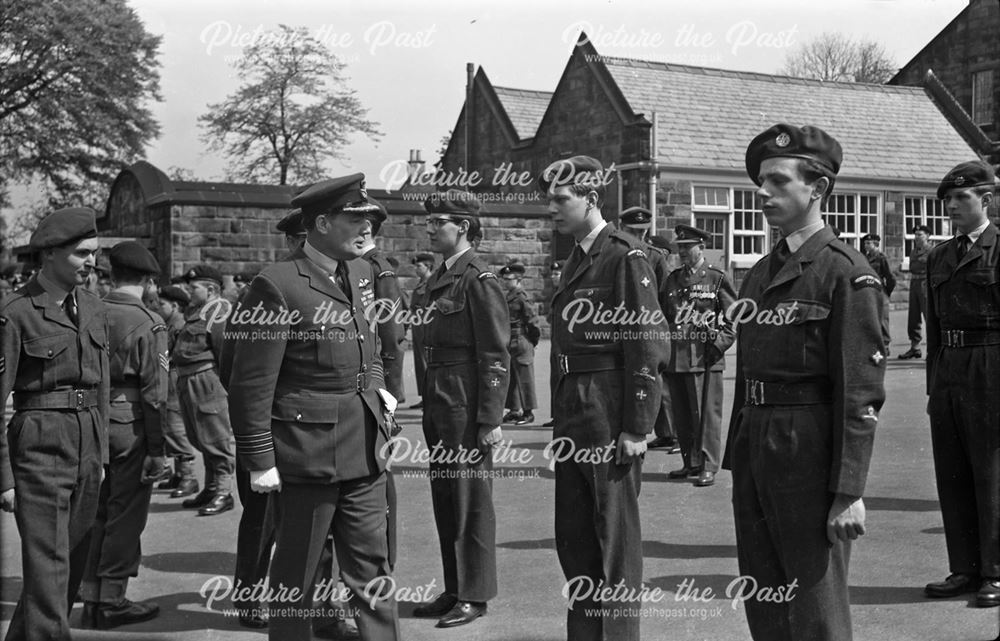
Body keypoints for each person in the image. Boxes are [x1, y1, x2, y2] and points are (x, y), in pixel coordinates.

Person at [723, 124, 886, 641]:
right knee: (764, 592)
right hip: (756, 444)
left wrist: (848, 491)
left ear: (817, 189)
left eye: (777, 181)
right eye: (761, 182)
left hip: (809, 447)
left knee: (814, 603)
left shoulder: (846, 273)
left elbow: (860, 392)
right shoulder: (760, 272)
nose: (763, 192)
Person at [227, 173, 400, 641]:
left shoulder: (362, 273)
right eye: (355, 219)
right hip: (308, 455)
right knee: (297, 578)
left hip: (366, 448)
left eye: (370, 218)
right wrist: (259, 458)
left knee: (373, 572)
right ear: (321, 223)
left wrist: (378, 388)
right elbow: (251, 383)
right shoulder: (276, 285)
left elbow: (373, 347)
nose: (367, 228)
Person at [541, 156, 669, 641]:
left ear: (592, 199)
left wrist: (638, 424)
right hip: (575, 407)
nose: (552, 209)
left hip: (608, 407)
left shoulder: (625, 256)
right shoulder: (577, 256)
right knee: (575, 539)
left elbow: (647, 343)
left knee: (612, 539)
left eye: (561, 199)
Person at [0, 207, 109, 641]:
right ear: (48, 254)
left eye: (94, 253)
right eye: (81, 253)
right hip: (40, 445)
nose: (91, 262)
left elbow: (99, 386)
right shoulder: (16, 313)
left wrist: (99, 456)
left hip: (86, 443)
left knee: (67, 571)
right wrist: (4, 476)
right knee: (48, 570)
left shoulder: (96, 308)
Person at [411, 190, 509, 628]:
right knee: (446, 499)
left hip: (467, 403)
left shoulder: (478, 279)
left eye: (438, 222)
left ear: (463, 228)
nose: (430, 228)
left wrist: (490, 418)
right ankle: (455, 588)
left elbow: (495, 354)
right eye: (429, 222)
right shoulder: (438, 278)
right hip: (440, 401)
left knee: (470, 501)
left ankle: (475, 594)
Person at [923, 159, 1000, 608]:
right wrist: (935, 383)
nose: (952, 206)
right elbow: (933, 326)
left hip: (991, 363)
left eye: (961, 198)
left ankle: (994, 569)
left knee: (991, 470)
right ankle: (965, 567)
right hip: (949, 367)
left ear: (986, 200)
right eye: (948, 199)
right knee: (952, 470)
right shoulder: (939, 255)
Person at [80, 241, 168, 629]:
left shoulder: (89, 312)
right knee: (126, 514)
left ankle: (90, 594)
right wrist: (158, 448)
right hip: (129, 422)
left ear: (112, 275)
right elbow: (155, 394)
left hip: (91, 417)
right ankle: (112, 599)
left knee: (96, 510)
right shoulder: (149, 322)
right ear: (148, 280)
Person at [663, 225, 737, 487]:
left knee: (706, 415)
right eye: (680, 247)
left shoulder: (716, 278)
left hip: (706, 357)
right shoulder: (672, 279)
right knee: (682, 414)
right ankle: (690, 461)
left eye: (688, 247)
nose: (682, 252)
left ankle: (708, 465)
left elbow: (734, 317)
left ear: (702, 247)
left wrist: (718, 344)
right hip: (678, 356)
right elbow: (662, 316)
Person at [172, 265, 235, 516]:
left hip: (206, 381)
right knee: (200, 437)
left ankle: (223, 491)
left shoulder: (218, 311)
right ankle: (210, 488)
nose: (189, 290)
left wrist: (220, 384)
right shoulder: (197, 311)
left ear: (210, 289)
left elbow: (224, 351)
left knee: (215, 437)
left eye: (194, 286)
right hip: (189, 380)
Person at [155, 285, 200, 497]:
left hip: (174, 378)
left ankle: (189, 477)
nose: (157, 306)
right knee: (167, 424)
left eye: (161, 304)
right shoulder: (169, 324)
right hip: (168, 377)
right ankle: (178, 474)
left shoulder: (179, 326)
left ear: (174, 306)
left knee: (175, 426)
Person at [360, 206, 406, 405]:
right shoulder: (350, 264)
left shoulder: (378, 269)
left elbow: (391, 335)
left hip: (374, 373)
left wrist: (390, 392)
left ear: (366, 226)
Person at [499, 259, 539, 426]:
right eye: (504, 279)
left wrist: (532, 341)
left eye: (509, 279)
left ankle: (528, 412)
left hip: (521, 338)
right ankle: (514, 410)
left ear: (518, 280)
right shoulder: (508, 296)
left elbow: (533, 321)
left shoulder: (522, 297)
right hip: (510, 339)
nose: (505, 282)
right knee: (512, 377)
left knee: (525, 377)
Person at [899, 224, 933, 359]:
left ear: (928, 236)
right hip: (914, 284)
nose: (916, 237)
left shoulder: (932, 251)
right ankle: (915, 347)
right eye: (915, 235)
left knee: (928, 316)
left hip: (926, 284)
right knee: (913, 316)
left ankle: (933, 349)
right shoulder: (913, 252)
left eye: (920, 235)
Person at [408, 252, 435, 410]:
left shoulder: (432, 283)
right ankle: (425, 396)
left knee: (427, 363)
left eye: (419, 266)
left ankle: (431, 399)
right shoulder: (421, 283)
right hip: (418, 326)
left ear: (428, 266)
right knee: (420, 363)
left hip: (427, 326)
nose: (416, 269)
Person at [861, 233, 895, 354]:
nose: (866, 246)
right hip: (868, 289)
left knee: (882, 318)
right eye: (865, 243)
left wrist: (886, 292)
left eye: (868, 243)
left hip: (880, 290)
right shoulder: (864, 257)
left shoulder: (881, 257)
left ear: (876, 244)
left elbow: (890, 277)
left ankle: (885, 344)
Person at [542, 260, 564, 429]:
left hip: (564, 343)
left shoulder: (567, 291)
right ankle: (557, 415)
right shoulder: (556, 292)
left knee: (563, 379)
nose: (553, 277)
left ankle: (562, 414)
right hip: (556, 342)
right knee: (555, 379)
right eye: (552, 274)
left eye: (557, 274)